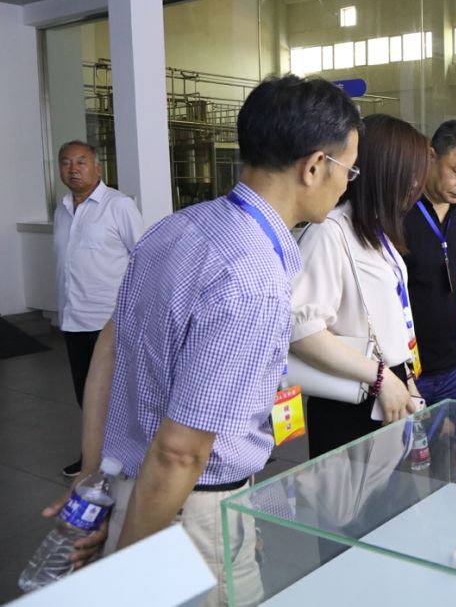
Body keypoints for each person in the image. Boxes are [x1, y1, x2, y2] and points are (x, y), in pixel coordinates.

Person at [42, 74, 362, 606]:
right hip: (186, 513)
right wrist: (124, 570)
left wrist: (93, 479)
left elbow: (110, 348)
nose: (347, 183)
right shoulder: (254, 276)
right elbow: (178, 452)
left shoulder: (175, 228)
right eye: (347, 169)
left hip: (132, 488)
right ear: (313, 167)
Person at [290, 114, 427, 458]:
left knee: (387, 488)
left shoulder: (376, 232)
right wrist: (381, 377)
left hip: (388, 386)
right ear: (383, 171)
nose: (416, 185)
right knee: (348, 491)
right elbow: (301, 330)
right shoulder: (329, 232)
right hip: (352, 395)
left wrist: (405, 377)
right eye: (409, 174)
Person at [52, 140, 143, 477]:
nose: (73, 169)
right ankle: (94, 455)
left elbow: (144, 257)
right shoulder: (62, 210)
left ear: (97, 167)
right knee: (85, 394)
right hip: (73, 318)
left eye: (81, 162)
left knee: (116, 395)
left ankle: (126, 459)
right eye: (66, 163)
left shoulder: (118, 206)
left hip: (109, 321)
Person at [403, 119, 456, 406]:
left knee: (455, 435)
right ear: (431, 156)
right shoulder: (400, 207)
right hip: (407, 370)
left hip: (449, 365)